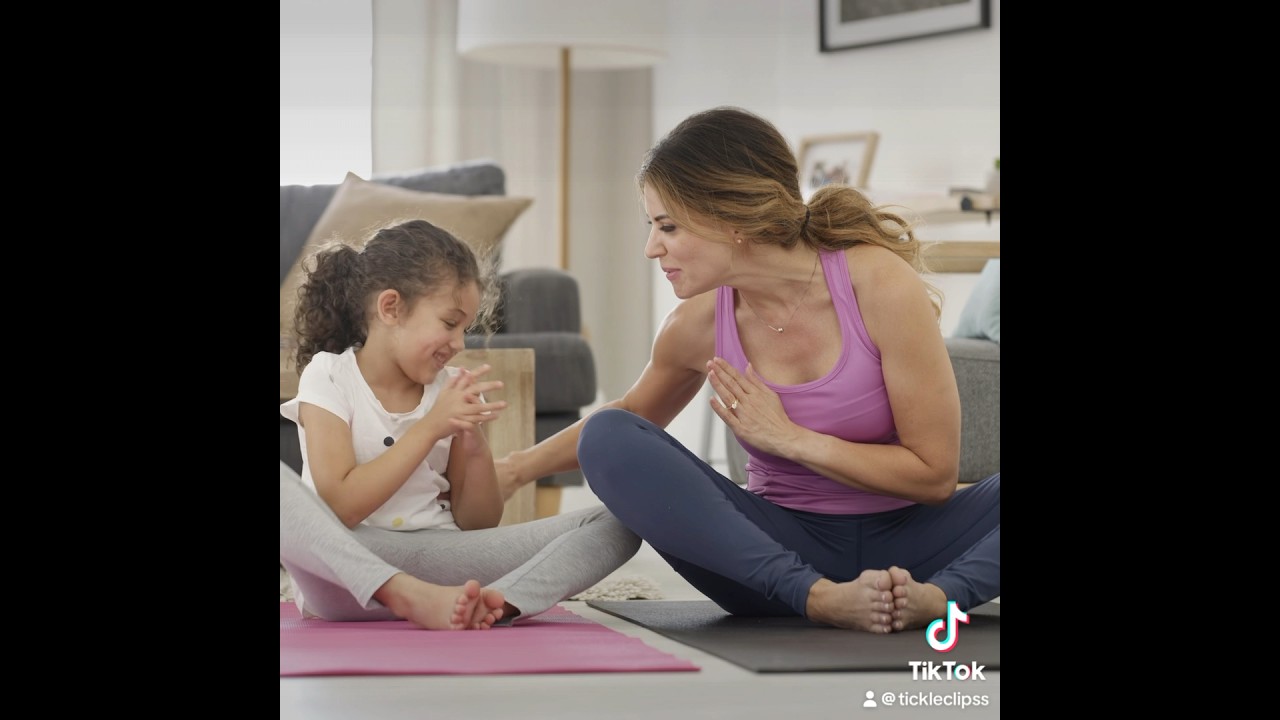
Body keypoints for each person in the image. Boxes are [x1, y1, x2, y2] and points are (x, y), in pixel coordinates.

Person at [494, 107, 999, 634]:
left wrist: (793, 439)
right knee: (609, 435)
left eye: (667, 226)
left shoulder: (878, 284)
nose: (651, 248)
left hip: (919, 550)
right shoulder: (694, 325)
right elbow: (628, 423)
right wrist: (513, 470)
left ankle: (942, 599)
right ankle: (820, 599)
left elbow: (936, 476)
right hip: (774, 564)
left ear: (729, 218)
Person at [279, 219, 640, 630]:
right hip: (346, 567)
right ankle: (406, 595)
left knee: (622, 520)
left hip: (440, 559)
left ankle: (499, 604)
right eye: (450, 324)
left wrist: (472, 445)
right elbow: (340, 508)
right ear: (391, 307)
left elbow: (479, 523)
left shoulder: (451, 390)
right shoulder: (329, 375)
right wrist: (430, 428)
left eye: (465, 329)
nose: (459, 344)